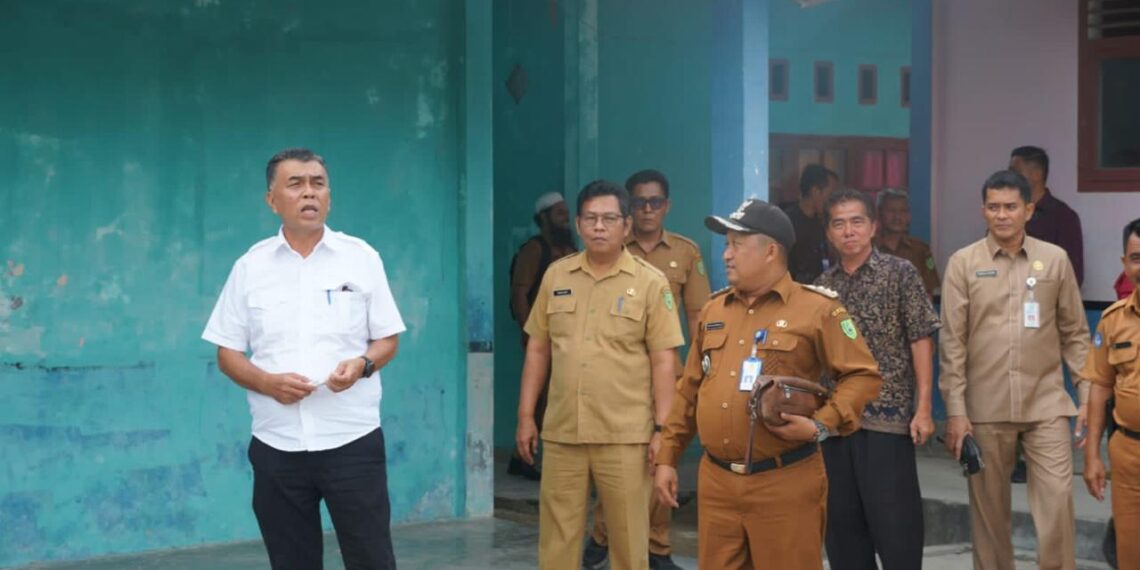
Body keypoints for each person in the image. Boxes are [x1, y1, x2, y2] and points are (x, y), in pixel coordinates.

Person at [202, 148, 405, 570]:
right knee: (292, 561)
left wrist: (362, 366)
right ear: (272, 200)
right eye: (295, 184)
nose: (309, 193)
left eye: (318, 183)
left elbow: (387, 339)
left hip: (352, 440)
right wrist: (266, 383)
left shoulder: (361, 258)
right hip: (278, 445)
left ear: (329, 196)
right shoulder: (250, 266)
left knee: (372, 558)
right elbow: (226, 352)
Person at [654, 198, 883, 569]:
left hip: (784, 481)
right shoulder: (714, 310)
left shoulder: (818, 309)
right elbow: (689, 389)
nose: (726, 255)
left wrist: (822, 423)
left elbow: (862, 375)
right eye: (726, 245)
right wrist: (668, 456)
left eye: (736, 245)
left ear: (771, 251)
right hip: (717, 483)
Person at [515, 180, 685, 570]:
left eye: (609, 219)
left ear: (626, 226)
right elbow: (538, 349)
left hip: (625, 437)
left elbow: (664, 361)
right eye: (590, 218)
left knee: (628, 544)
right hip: (562, 433)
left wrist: (663, 430)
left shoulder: (649, 282)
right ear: (577, 223)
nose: (599, 227)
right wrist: (526, 416)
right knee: (557, 541)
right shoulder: (557, 276)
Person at [940, 170, 1091, 570]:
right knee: (990, 517)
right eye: (993, 207)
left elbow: (1075, 334)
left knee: (1058, 504)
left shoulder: (1054, 260)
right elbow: (952, 343)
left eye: (1010, 207)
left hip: (1047, 405)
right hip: (985, 409)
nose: (1002, 215)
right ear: (983, 210)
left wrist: (1088, 396)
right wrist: (956, 411)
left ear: (1029, 209)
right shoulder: (963, 263)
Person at [583, 170, 709, 570]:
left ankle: (657, 547)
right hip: (619, 375)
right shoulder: (613, 248)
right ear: (629, 210)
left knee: (660, 458)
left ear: (667, 206)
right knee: (617, 461)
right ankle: (604, 534)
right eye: (640, 203)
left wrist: (696, 373)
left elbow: (697, 318)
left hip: (666, 372)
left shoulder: (686, 253)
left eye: (656, 202)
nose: (648, 209)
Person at [815, 189, 940, 569]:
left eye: (857, 222)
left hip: (889, 423)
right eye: (839, 223)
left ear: (872, 227)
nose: (848, 231)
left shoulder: (900, 273)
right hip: (837, 424)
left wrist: (923, 409)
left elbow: (920, 339)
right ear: (829, 233)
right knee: (843, 528)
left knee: (896, 527)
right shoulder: (822, 287)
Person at [1082, 218, 1140, 570]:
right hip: (1129, 454)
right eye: (1137, 257)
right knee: (1130, 553)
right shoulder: (1113, 319)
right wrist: (1092, 456)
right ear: (1124, 263)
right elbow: (1100, 387)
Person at [508, 192, 578, 480]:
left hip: (567, 338)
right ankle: (523, 457)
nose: (564, 217)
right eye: (558, 213)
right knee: (539, 400)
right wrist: (529, 332)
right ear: (543, 218)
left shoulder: (570, 248)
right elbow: (520, 292)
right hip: (543, 336)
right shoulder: (534, 250)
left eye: (565, 212)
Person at [1009, 146, 1084, 285]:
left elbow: (1072, 274)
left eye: (1016, 172)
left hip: (1044, 300)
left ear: (1036, 174)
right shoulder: (1007, 213)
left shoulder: (1063, 217)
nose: (1010, 178)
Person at [875, 188, 941, 298]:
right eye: (891, 211)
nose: (897, 217)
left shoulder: (921, 249)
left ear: (909, 215)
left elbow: (931, 290)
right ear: (879, 213)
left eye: (903, 211)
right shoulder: (867, 248)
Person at [784, 164, 838, 284]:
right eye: (830, 195)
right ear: (816, 191)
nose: (832, 201)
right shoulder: (788, 222)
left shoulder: (823, 221)